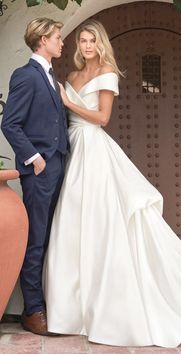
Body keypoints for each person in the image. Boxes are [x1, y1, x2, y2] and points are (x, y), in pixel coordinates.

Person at [44, 19, 181, 347]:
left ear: (101, 43)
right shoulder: (74, 76)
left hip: (94, 149)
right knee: (73, 222)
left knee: (102, 220)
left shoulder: (106, 73)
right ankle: (72, 310)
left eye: (92, 41)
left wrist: (69, 103)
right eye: (83, 41)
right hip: (73, 148)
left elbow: (103, 118)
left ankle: (109, 306)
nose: (86, 46)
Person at [1, 18, 69, 335]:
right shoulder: (26, 76)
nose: (62, 42)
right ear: (42, 39)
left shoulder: (52, 77)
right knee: (37, 239)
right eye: (57, 37)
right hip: (39, 170)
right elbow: (10, 124)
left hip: (58, 166)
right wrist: (34, 157)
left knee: (52, 237)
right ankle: (33, 311)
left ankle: (52, 304)